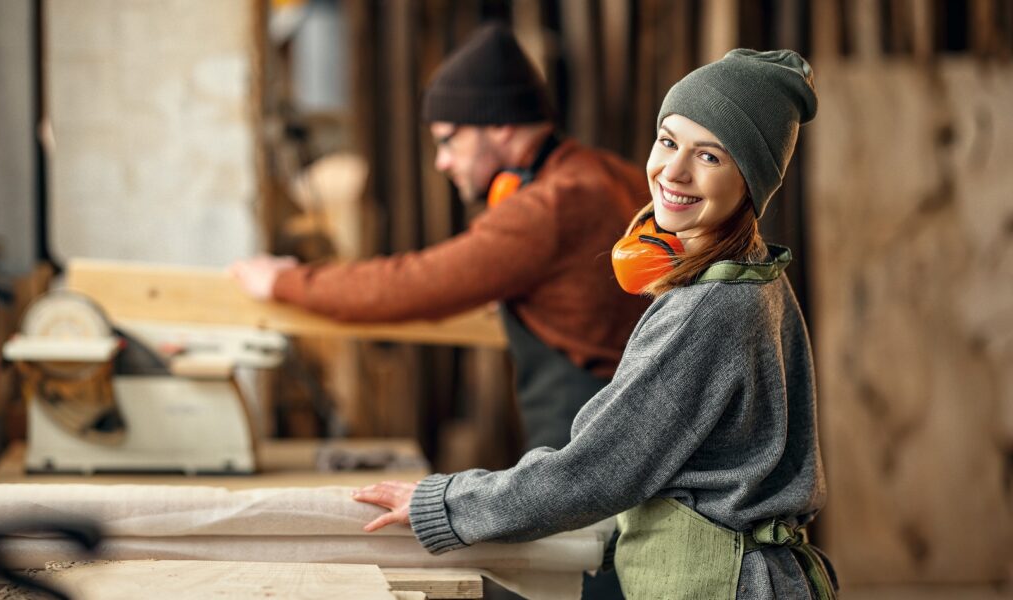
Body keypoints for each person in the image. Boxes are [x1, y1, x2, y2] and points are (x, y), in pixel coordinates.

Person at [351, 49, 839, 599]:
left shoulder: (709, 307)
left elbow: (591, 472)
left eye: (710, 157)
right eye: (668, 141)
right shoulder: (760, 276)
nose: (673, 172)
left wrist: (441, 503)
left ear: (751, 179)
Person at [232, 23, 650, 452]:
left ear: (501, 125)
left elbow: (407, 285)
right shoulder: (609, 174)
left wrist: (281, 282)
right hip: (633, 430)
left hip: (589, 450)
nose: (441, 162)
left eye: (449, 140)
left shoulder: (548, 207)